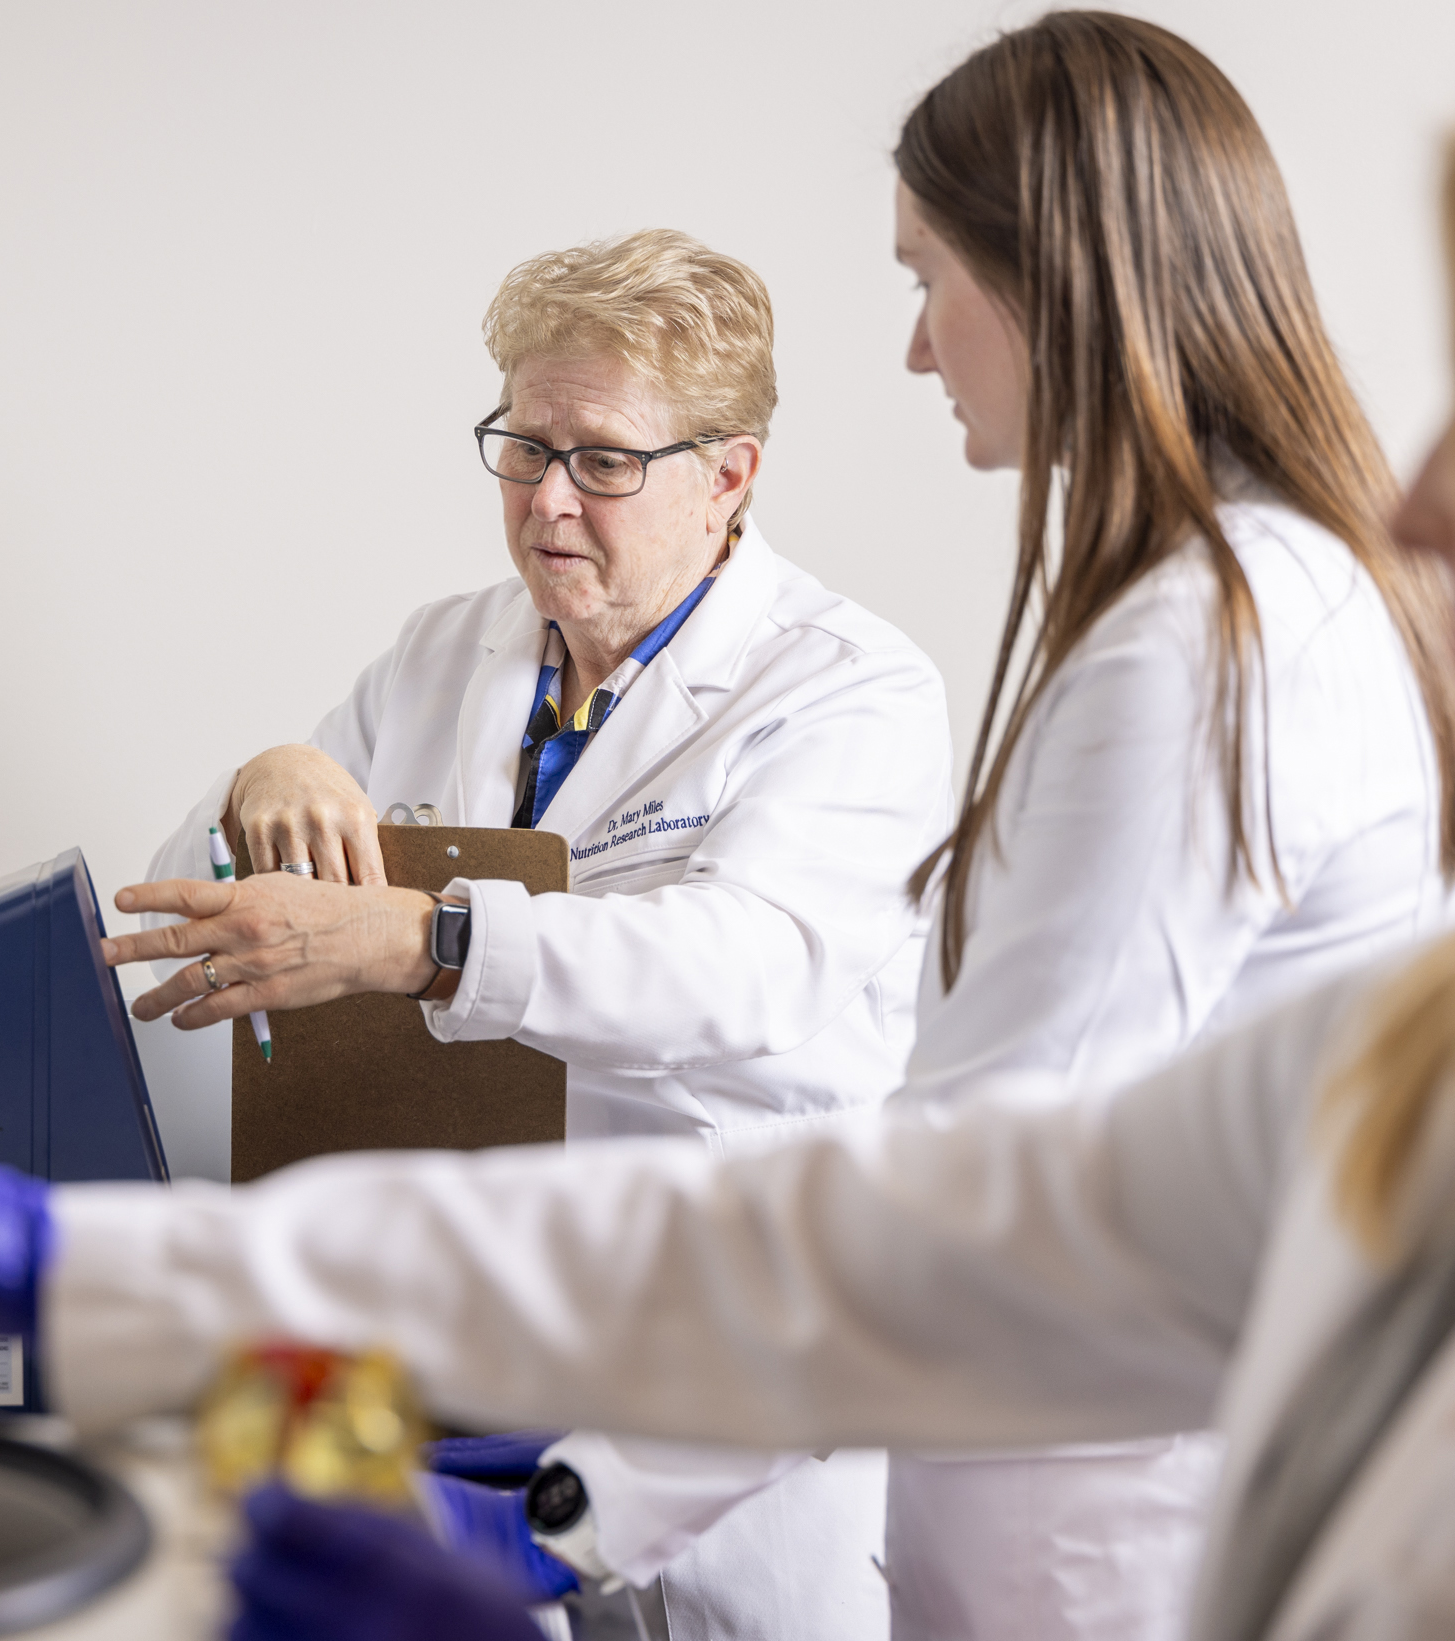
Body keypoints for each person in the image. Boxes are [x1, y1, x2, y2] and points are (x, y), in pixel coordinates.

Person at [0, 0, 1455, 1638]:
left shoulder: (1166, 651)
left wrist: (549, 1507)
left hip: (930, 1520)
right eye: (520, 446)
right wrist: (111, 1272)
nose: (1420, 487)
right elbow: (918, 1218)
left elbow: (888, 1141)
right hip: (760, 1435)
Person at [104, 227, 957, 1637]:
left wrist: (423, 940)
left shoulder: (845, 691)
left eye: (605, 459)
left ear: (730, 471)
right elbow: (196, 925)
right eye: (523, 445)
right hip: (465, 1372)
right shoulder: (447, 653)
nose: (551, 499)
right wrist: (266, 780)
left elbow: (749, 969)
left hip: (718, 1404)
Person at [873, 15, 1455, 1638]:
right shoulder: (1246, 592)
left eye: (927, 277)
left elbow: (981, 1148)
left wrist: (586, 1487)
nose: (917, 350)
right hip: (1091, 1484)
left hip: (1110, 1524)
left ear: (1052, 274)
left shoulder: (1219, 631)